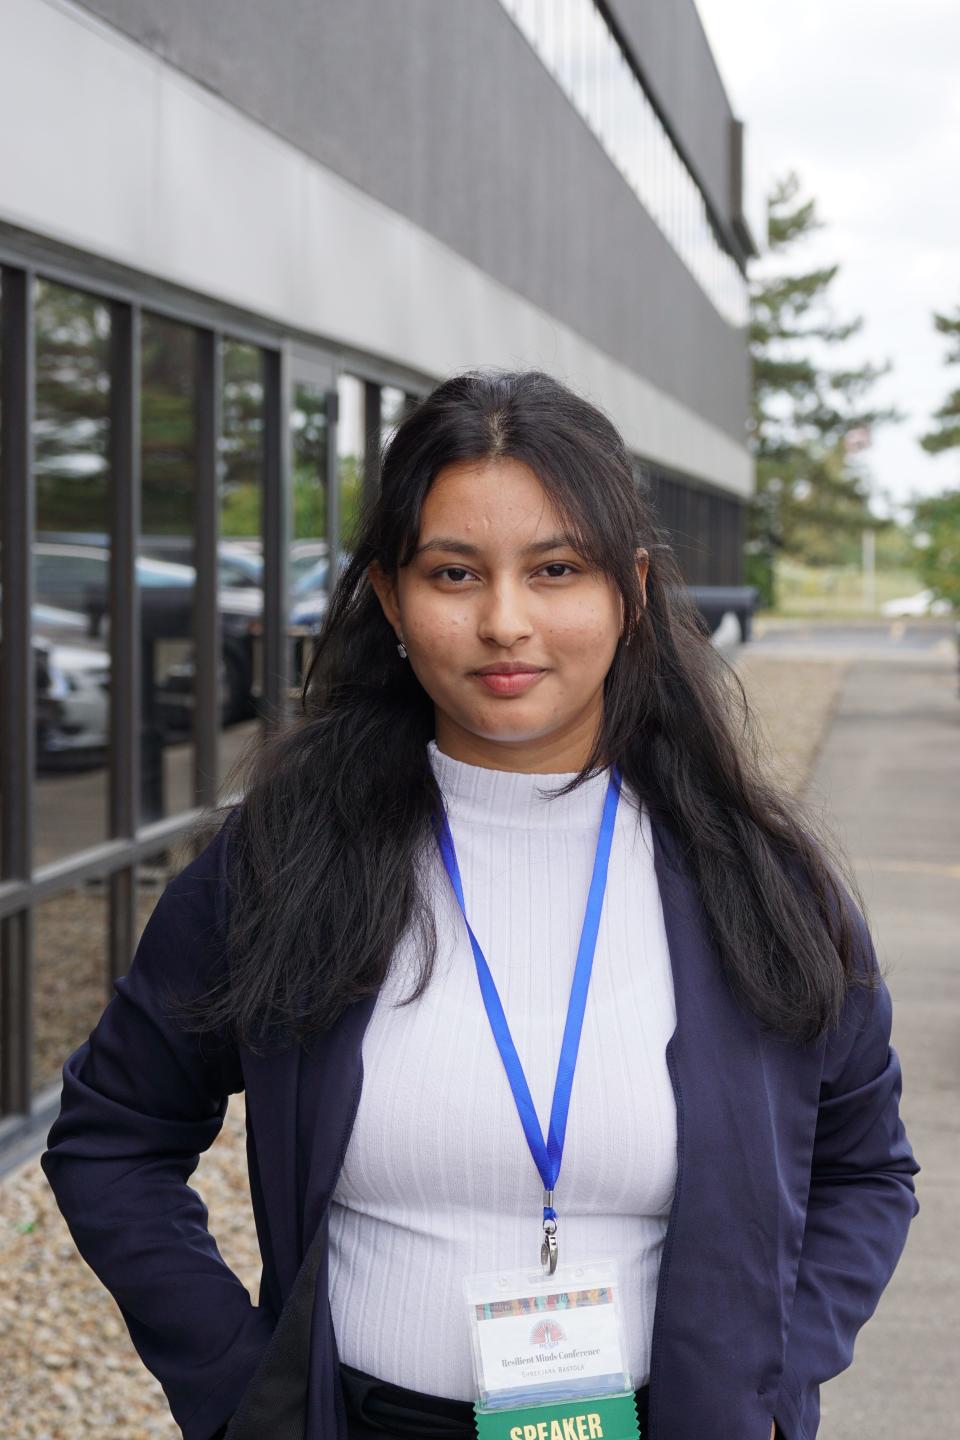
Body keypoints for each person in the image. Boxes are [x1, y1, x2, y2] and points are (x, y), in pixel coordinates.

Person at [41, 370, 919, 1440]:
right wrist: (242, 1388)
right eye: (455, 572)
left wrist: (776, 1381)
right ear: (393, 600)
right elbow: (112, 1135)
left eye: (556, 569)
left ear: (630, 593)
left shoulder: (762, 879)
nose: (506, 621)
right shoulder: (281, 863)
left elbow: (865, 1168)